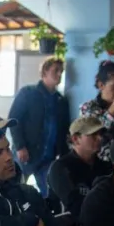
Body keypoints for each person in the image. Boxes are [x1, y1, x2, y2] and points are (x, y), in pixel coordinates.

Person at [8, 57, 69, 195]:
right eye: (56, 70)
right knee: (15, 188)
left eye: (61, 71)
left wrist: (63, 154)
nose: (59, 74)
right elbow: (14, 119)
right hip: (26, 152)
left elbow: (64, 129)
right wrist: (20, 146)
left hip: (48, 157)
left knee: (48, 192)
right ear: (44, 72)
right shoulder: (28, 93)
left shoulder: (61, 100)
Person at [47, 116, 113, 226]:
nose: (100, 138)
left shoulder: (106, 167)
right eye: (93, 135)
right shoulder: (61, 168)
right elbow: (75, 207)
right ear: (76, 139)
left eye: (100, 134)